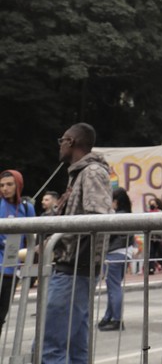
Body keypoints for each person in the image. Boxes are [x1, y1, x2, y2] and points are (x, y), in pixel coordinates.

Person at [42, 122, 113, 364]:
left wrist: (65, 247)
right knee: (73, 347)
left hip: (73, 270)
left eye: (62, 140)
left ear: (71, 141)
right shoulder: (80, 174)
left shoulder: (92, 172)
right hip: (75, 270)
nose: (60, 145)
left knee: (52, 347)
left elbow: (99, 219)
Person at [0, 169, 35, 337]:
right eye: (1, 185)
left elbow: (33, 239)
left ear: (18, 185)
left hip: (12, 270)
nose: (5, 188)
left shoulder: (27, 208)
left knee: (1, 315)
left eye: (9, 184)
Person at [98, 188, 132, 332]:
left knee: (113, 287)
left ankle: (117, 320)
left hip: (115, 253)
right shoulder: (127, 215)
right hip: (124, 253)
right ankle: (108, 316)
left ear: (115, 202)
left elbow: (109, 235)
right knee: (114, 286)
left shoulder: (116, 217)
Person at [145, 197, 162, 273]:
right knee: (150, 252)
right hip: (151, 237)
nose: (152, 205)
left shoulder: (160, 212)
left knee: (161, 251)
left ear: (157, 205)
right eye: (151, 204)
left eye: (153, 204)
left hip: (159, 237)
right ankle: (151, 268)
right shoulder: (147, 213)